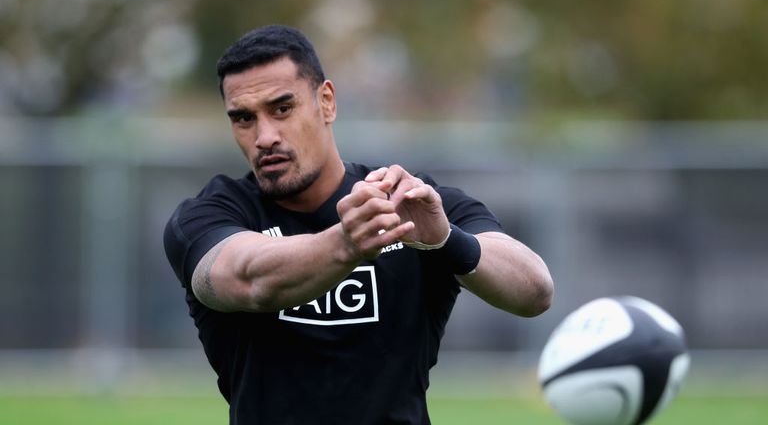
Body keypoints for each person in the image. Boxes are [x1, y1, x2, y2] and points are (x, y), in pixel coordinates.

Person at [163, 24, 553, 425]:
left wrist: (445, 240)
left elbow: (535, 291)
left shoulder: (413, 206)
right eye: (244, 118)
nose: (265, 136)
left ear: (326, 102)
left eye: (282, 109)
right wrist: (347, 244)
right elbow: (248, 278)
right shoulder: (209, 214)